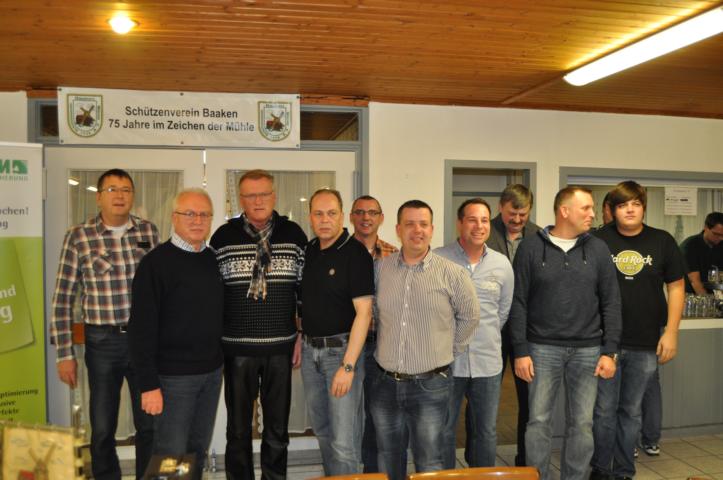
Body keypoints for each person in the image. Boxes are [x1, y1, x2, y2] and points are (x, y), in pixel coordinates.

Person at [50, 168, 159, 480]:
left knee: (150, 423)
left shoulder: (148, 232)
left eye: (126, 189)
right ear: (98, 197)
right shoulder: (79, 236)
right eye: (112, 189)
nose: (120, 195)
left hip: (143, 341)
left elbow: (160, 287)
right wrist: (64, 354)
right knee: (101, 427)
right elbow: (63, 297)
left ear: (132, 196)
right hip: (102, 343)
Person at [509, 186, 622, 480]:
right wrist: (520, 350)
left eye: (592, 208)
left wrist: (610, 351)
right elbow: (518, 302)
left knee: (582, 424)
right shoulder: (530, 247)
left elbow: (611, 302)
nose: (593, 214)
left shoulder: (598, 249)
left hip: (588, 351)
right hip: (541, 349)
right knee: (538, 423)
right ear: (564, 211)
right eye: (586, 208)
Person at [371, 200, 480, 480]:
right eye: (409, 224)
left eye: (423, 224)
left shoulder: (452, 273)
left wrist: (448, 351)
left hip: (431, 386)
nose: (417, 230)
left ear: (432, 229)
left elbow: (470, 317)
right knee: (387, 456)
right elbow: (374, 314)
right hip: (385, 384)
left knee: (430, 459)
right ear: (398, 229)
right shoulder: (380, 270)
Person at [209, 169, 307, 480]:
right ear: (241, 199)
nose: (258, 201)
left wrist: (300, 335)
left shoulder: (294, 235)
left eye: (264, 194)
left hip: (280, 347)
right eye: (251, 195)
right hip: (237, 349)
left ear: (274, 196)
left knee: (277, 429)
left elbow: (303, 293)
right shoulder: (222, 237)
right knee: (238, 430)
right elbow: (213, 295)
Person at [590, 181, 685, 480]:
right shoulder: (597, 240)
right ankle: (601, 469)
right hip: (604, 343)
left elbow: (677, 287)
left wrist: (671, 332)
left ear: (644, 207)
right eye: (622, 205)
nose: (629, 210)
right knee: (603, 411)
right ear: (612, 210)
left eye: (635, 204)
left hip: (646, 342)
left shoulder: (662, 241)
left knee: (631, 412)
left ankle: (623, 472)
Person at [128, 188, 224, 479]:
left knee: (196, 451)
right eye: (189, 213)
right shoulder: (155, 264)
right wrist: (148, 385)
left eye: (204, 215)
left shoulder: (212, 260)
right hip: (172, 380)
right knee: (170, 457)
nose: (198, 220)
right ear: (174, 217)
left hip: (210, 375)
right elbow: (141, 330)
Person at [301, 188, 374, 475]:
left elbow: (364, 313)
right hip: (310, 354)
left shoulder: (355, 254)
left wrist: (348, 366)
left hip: (341, 354)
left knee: (344, 442)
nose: (324, 220)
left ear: (342, 216)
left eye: (331, 213)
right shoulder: (309, 251)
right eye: (318, 214)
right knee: (322, 431)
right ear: (310, 217)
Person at [437, 198, 513, 468]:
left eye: (484, 220)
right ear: (459, 223)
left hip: (487, 363)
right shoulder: (439, 259)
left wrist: (483, 334)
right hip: (447, 362)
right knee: (443, 429)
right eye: (472, 220)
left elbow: (503, 312)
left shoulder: (502, 264)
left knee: (486, 431)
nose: (479, 226)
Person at [486, 183, 540, 466]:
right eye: (512, 214)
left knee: (530, 402)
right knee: (484, 401)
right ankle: (479, 461)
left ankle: (525, 461)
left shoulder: (539, 236)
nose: (518, 220)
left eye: (523, 214)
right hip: (491, 330)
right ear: (500, 207)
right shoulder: (484, 231)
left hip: (528, 331)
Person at [349, 195, 400, 473]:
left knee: (378, 414)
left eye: (372, 212)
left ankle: (372, 472)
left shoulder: (394, 254)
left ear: (381, 218)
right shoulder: (341, 252)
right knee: (347, 414)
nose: (366, 217)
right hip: (347, 346)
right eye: (359, 212)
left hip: (382, 346)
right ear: (351, 217)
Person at [680, 211, 723, 294]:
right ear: (706, 227)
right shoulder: (690, 246)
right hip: (691, 296)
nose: (721, 238)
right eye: (716, 234)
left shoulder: (721, 245)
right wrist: (708, 301)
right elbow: (695, 282)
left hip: (713, 294)